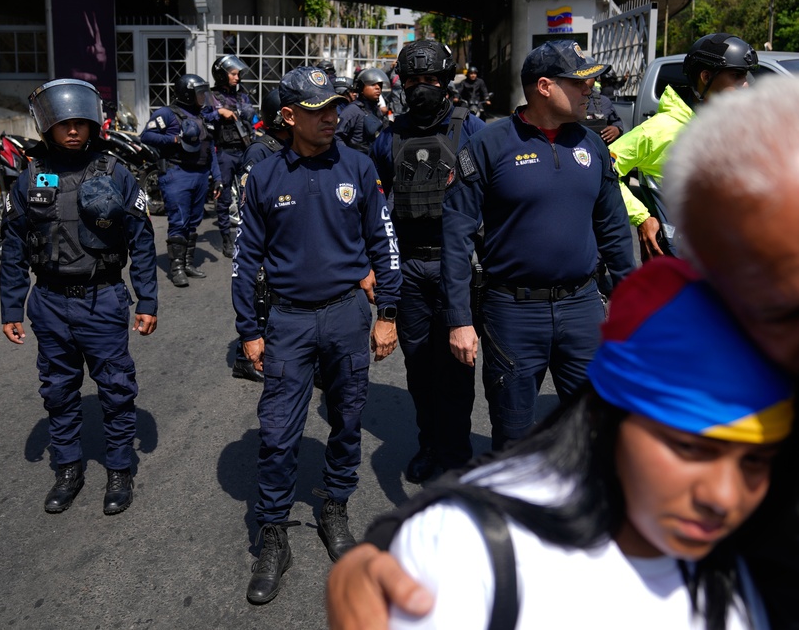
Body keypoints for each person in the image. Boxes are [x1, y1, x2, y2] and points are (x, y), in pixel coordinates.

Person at [326, 74, 799, 630]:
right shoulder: (722, 329)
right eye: (786, 308)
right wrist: (402, 547)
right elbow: (585, 437)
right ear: (719, 285)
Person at [381, 256, 793, 629]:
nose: (722, 496)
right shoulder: (468, 550)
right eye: (690, 449)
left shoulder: (758, 566)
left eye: (756, 461)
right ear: (604, 416)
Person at [231, 66, 402, 604]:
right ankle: (274, 535)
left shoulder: (357, 164)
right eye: (318, 110)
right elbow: (244, 262)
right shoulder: (263, 177)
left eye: (335, 107)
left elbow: (383, 243)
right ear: (288, 117)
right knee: (279, 432)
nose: (332, 118)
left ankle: (335, 508)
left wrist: (387, 313)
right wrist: (249, 330)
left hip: (348, 315)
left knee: (347, 420)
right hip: (288, 322)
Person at [441, 39, 636, 451]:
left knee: (599, 431)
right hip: (511, 313)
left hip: (583, 307)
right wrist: (459, 319)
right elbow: (456, 237)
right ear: (544, 86)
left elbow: (615, 228)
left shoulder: (592, 145)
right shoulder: (487, 146)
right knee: (514, 438)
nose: (591, 91)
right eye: (580, 83)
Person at [0, 78, 157, 516]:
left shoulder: (115, 173)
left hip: (102, 299)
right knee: (58, 391)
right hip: (48, 302)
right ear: (48, 126)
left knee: (116, 389)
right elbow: (13, 246)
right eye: (63, 123)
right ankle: (67, 468)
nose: (72, 130)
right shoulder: (30, 176)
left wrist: (147, 300)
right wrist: (11, 307)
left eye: (80, 123)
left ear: (92, 124)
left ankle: (120, 470)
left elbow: (142, 240)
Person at [369, 40, 487, 484]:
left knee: (457, 366)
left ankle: (456, 451)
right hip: (409, 268)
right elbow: (375, 205)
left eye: (431, 80)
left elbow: (491, 200)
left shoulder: (471, 129)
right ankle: (428, 445)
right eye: (414, 80)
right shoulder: (388, 136)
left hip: (458, 268)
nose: (422, 88)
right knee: (418, 367)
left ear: (446, 82)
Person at [609, 33, 757, 259]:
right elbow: (605, 172)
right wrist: (641, 217)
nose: (746, 85)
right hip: (675, 268)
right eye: (737, 76)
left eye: (746, 76)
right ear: (706, 77)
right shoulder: (660, 130)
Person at [229, 88, 291, 383]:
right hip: (261, 235)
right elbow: (248, 199)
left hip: (281, 234)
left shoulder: (287, 146)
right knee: (259, 295)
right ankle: (244, 359)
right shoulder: (260, 150)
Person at [139, 73, 221, 287]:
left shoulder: (203, 116)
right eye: (199, 93)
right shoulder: (167, 114)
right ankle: (176, 268)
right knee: (179, 221)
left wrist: (218, 178)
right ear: (187, 94)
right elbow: (146, 136)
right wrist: (174, 139)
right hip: (177, 173)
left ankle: (187, 263)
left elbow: (210, 148)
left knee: (193, 223)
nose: (204, 97)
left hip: (201, 175)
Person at [208, 54, 257, 258]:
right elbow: (202, 118)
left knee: (249, 193)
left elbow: (253, 119)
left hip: (244, 150)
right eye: (233, 74)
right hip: (224, 152)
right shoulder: (211, 97)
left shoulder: (241, 96)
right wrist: (219, 113)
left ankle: (248, 236)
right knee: (225, 197)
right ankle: (226, 239)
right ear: (221, 75)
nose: (237, 78)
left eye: (238, 74)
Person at [337, 68, 390, 153]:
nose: (378, 88)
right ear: (361, 88)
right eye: (373, 84)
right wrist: (347, 156)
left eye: (379, 85)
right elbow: (337, 136)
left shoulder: (375, 110)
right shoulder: (353, 110)